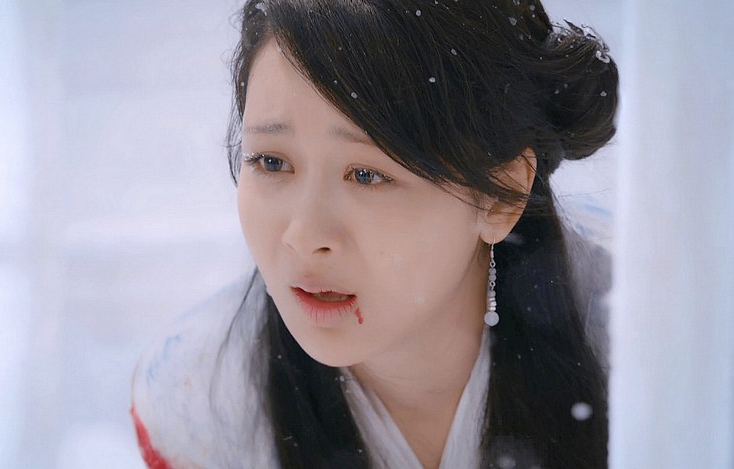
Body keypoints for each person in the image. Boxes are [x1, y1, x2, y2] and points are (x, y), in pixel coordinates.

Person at [130, 0, 618, 467]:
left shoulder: (639, 347)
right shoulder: (202, 404)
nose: (304, 236)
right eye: (272, 162)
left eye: (366, 175)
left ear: (502, 195)